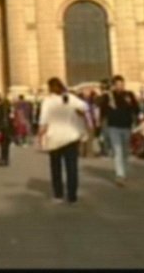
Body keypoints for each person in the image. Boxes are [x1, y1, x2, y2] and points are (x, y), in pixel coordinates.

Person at [38, 77, 88, 205]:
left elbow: (43, 121)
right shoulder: (70, 98)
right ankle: (72, 195)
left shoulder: (48, 101)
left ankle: (58, 194)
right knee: (72, 168)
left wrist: (40, 136)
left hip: (54, 137)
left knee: (56, 168)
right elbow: (85, 107)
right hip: (71, 136)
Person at [100, 75, 139, 186]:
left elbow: (136, 109)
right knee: (117, 150)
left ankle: (123, 171)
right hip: (113, 126)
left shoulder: (129, 95)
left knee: (125, 151)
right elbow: (103, 111)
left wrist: (131, 105)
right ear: (114, 85)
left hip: (126, 126)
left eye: (121, 84)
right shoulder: (109, 96)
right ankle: (120, 175)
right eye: (117, 85)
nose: (120, 87)